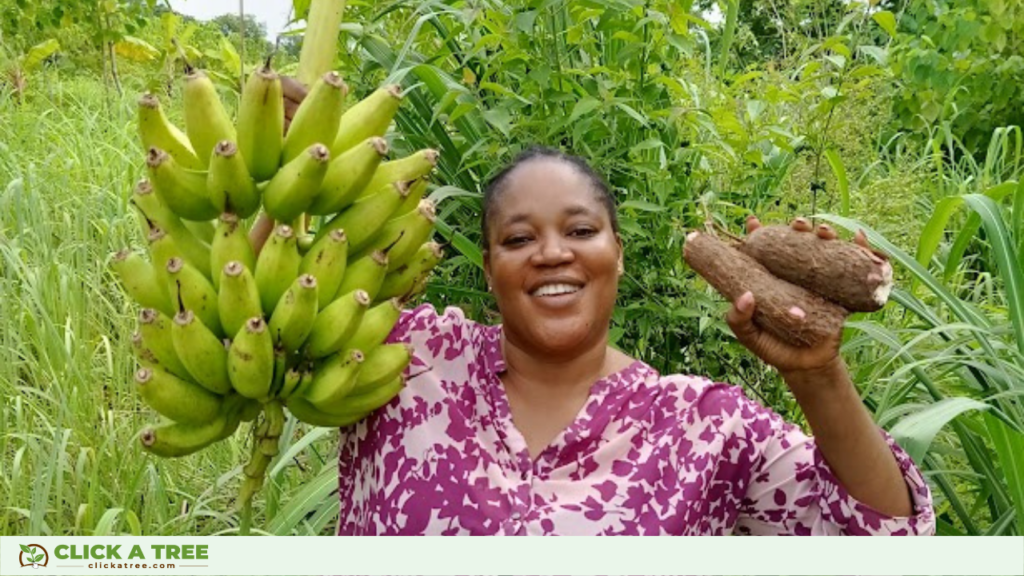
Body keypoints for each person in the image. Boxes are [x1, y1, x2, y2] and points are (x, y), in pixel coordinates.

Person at [261, 80, 935, 536]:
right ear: (489, 270)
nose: (552, 253)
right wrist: (285, 180)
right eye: (518, 239)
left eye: (581, 231)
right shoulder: (404, 358)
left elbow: (888, 538)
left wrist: (817, 375)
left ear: (617, 254)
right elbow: (260, 338)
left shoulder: (704, 428)